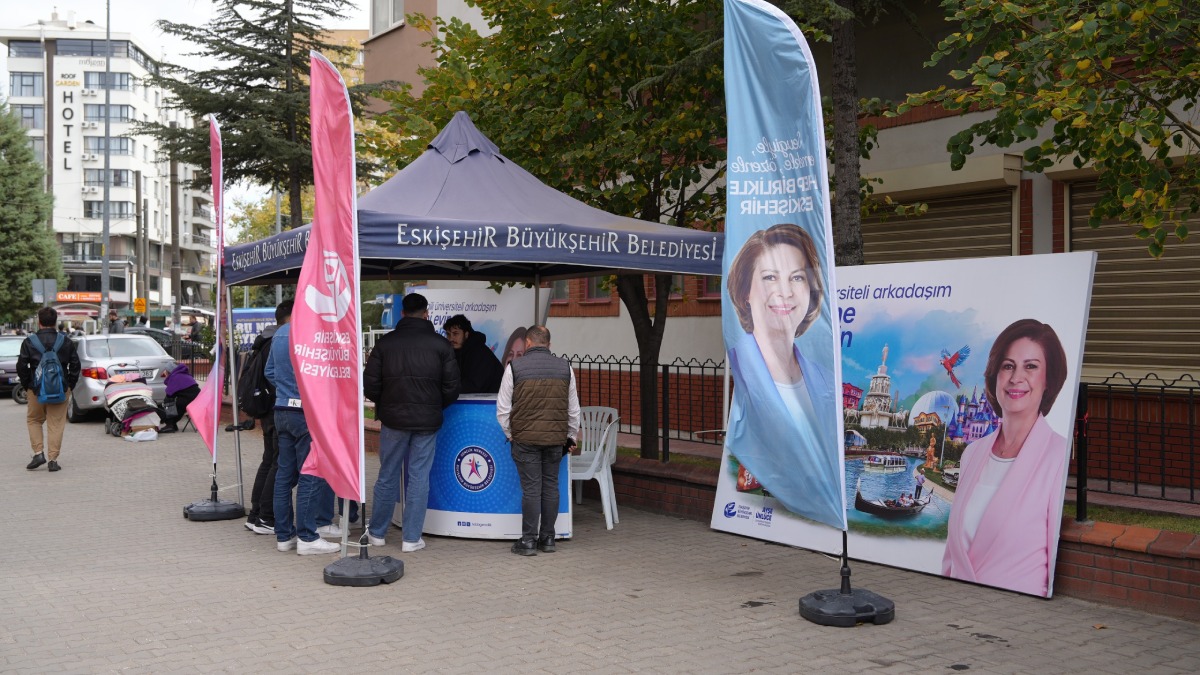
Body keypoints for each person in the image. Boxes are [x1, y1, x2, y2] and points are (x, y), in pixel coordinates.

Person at [723, 223, 841, 527]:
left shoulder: (826, 380)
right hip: (762, 520)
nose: (785, 291)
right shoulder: (740, 368)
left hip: (818, 522)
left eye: (797, 277)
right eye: (770, 277)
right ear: (745, 292)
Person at [942, 319, 1070, 597]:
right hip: (955, 609)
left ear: (1048, 380)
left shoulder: (1059, 458)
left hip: (1016, 614)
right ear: (995, 375)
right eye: (1008, 366)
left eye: (1031, 366)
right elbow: (952, 557)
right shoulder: (972, 453)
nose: (1016, 378)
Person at [365, 293, 461, 553]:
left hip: (393, 420)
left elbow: (370, 384)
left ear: (402, 313)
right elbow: (452, 387)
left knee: (387, 474)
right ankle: (411, 538)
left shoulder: (385, 344)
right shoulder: (441, 345)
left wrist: (386, 403)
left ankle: (377, 533)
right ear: (426, 313)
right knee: (419, 477)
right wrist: (434, 405)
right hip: (427, 421)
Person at [496, 325, 580, 556]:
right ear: (549, 344)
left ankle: (529, 541)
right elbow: (573, 409)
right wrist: (570, 436)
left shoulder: (515, 367)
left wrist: (511, 434)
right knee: (551, 486)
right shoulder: (565, 367)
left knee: (532, 489)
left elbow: (503, 409)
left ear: (528, 343)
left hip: (525, 439)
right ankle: (548, 538)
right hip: (555, 439)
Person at [266, 308, 340, 555]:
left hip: (282, 410)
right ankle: (307, 537)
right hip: (306, 412)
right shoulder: (311, 333)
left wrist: (286, 389)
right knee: (310, 474)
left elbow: (269, 371)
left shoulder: (280, 333)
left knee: (284, 475)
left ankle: (284, 536)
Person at [243, 300, 290, 535]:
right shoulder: (279, 341)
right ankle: (266, 517)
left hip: (266, 407)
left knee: (269, 460)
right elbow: (273, 374)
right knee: (278, 463)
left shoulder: (265, 340)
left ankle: (256, 514)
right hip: (277, 407)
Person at [17, 307, 81, 472]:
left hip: (36, 390)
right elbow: (75, 365)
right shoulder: (65, 341)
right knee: (56, 424)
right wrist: (69, 385)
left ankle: (38, 453)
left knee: (34, 420)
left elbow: (22, 366)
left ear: (39, 322)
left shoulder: (29, 342)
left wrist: (28, 385)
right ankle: (53, 460)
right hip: (60, 389)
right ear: (55, 322)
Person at [443, 314, 504, 394]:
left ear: (466, 334)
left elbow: (473, 386)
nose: (451, 338)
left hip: (493, 400)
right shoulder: (455, 352)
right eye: (448, 334)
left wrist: (445, 390)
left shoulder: (480, 353)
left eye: (455, 333)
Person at [159, 363, 200, 433]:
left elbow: (169, 394)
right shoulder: (182, 374)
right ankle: (172, 424)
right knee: (176, 403)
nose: (164, 372)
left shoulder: (175, 376)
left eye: (165, 371)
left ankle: (170, 425)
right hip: (197, 398)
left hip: (190, 398)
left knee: (168, 402)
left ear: (168, 371)